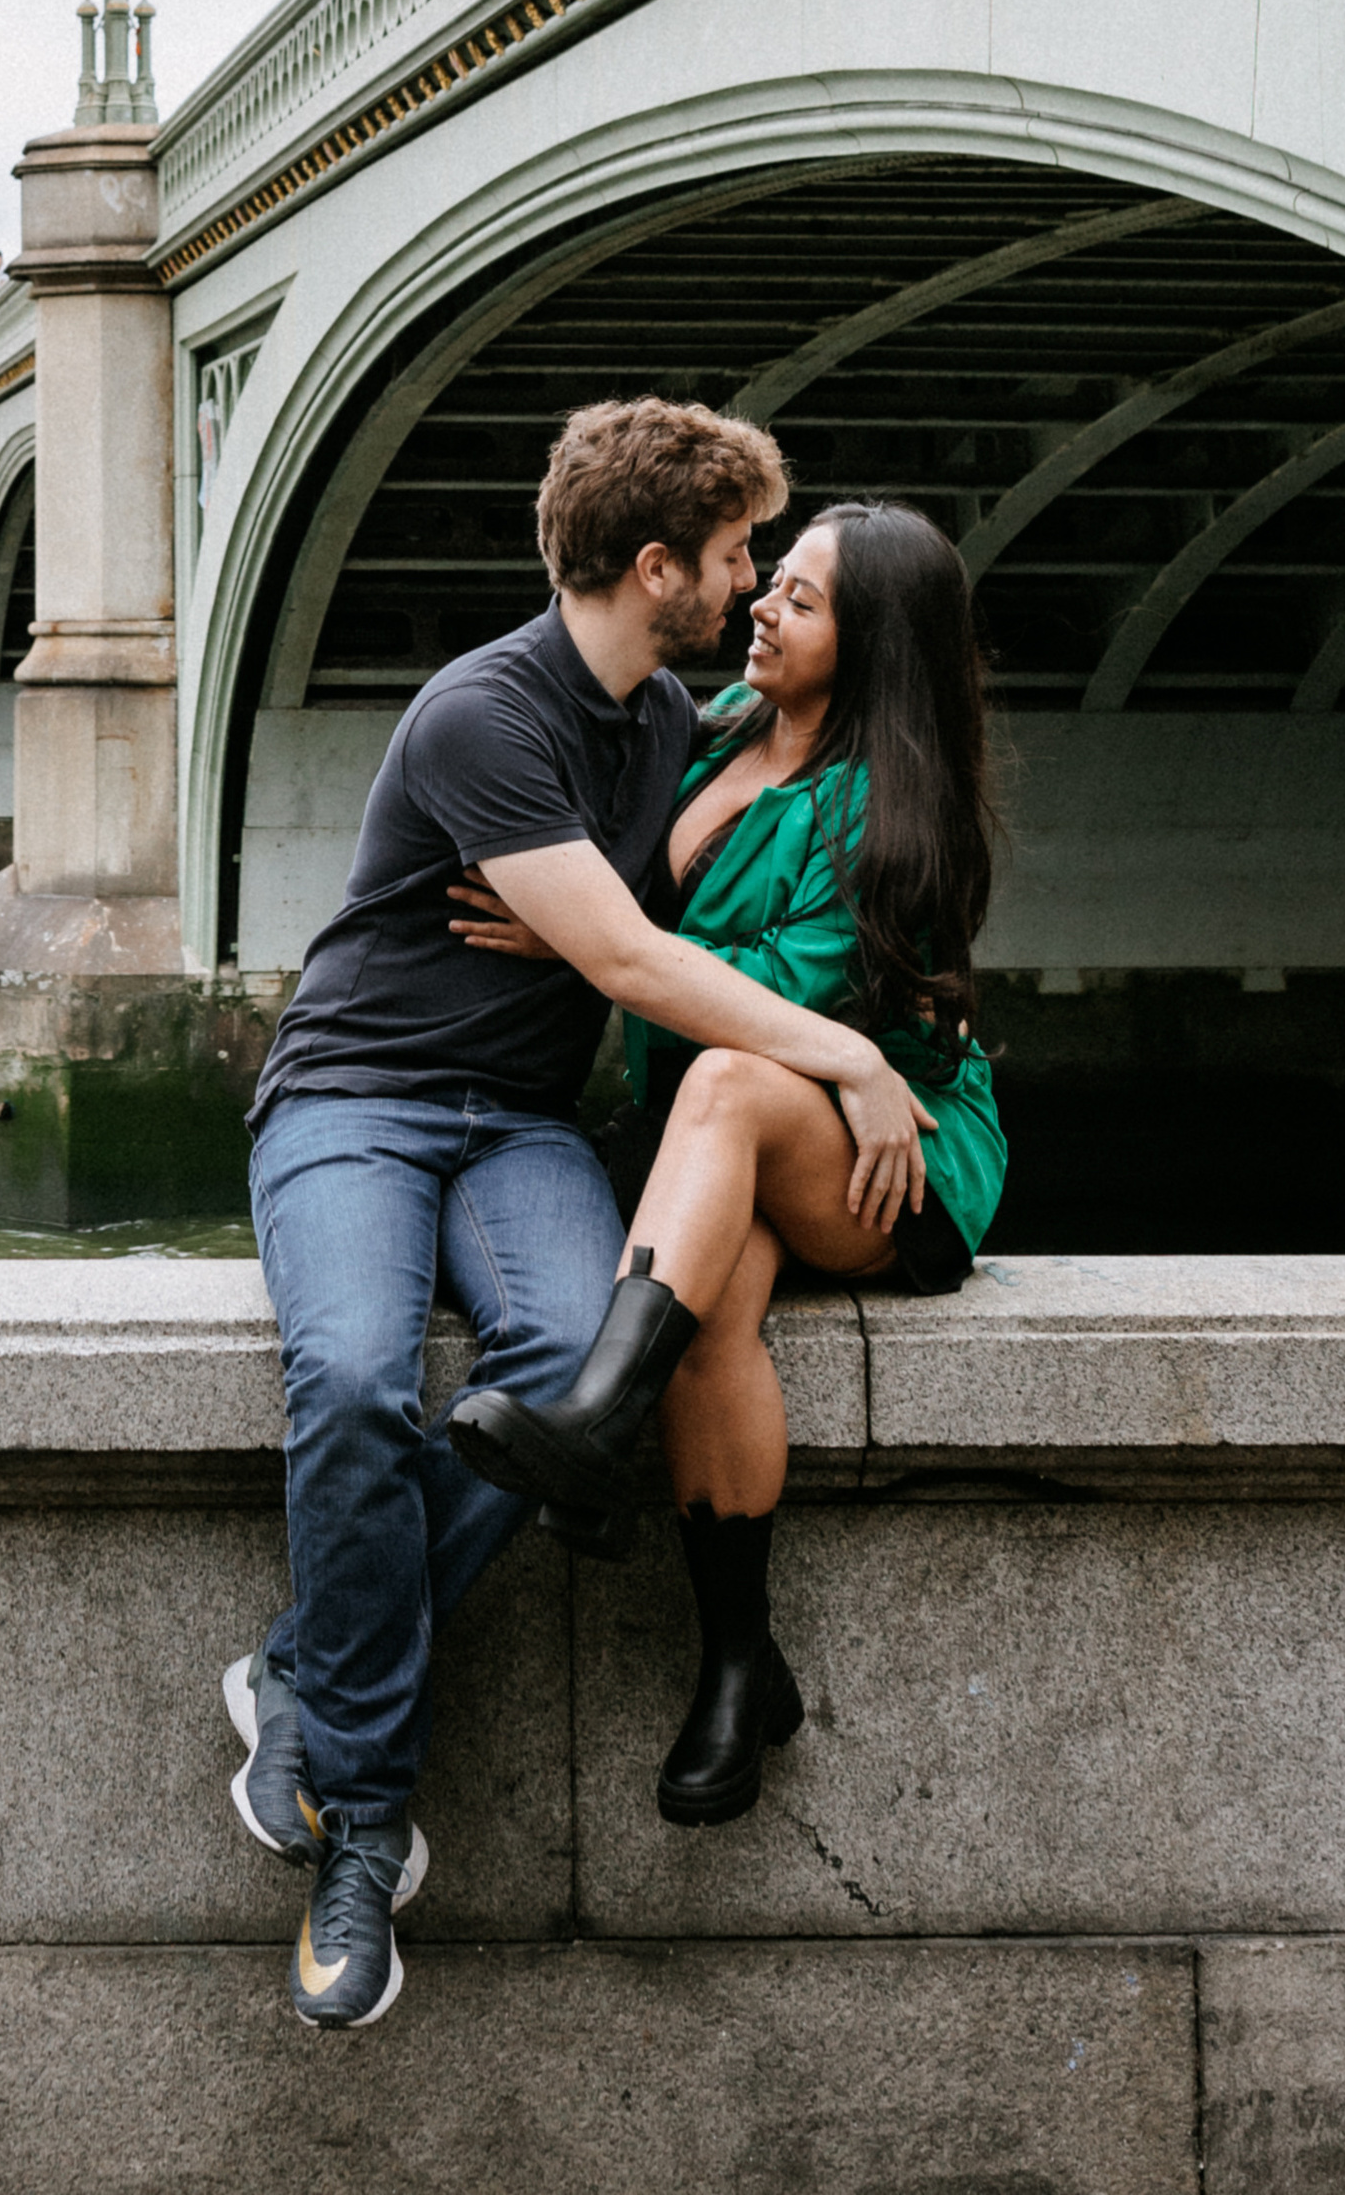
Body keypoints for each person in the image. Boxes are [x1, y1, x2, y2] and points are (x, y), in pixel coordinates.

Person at [229, 404, 943, 2032]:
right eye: (735, 557)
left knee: (574, 1382)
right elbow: (632, 961)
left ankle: (308, 1670)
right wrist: (843, 1055)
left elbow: (667, 915)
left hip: (525, 1129)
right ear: (654, 569)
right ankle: (364, 1822)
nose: (750, 582)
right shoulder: (486, 714)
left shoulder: (669, 720)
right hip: (355, 1102)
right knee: (350, 1383)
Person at [442, 497, 1007, 1831]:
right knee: (715, 1312)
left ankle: (595, 1424)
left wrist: (603, 952)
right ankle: (741, 1665)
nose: (761, 603)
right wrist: (584, 921)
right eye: (779, 578)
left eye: (802, 599)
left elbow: (794, 1002)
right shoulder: (720, 743)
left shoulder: (890, 808)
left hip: (886, 1154)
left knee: (739, 1069)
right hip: (740, 1154)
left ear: (870, 648)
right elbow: (647, 916)